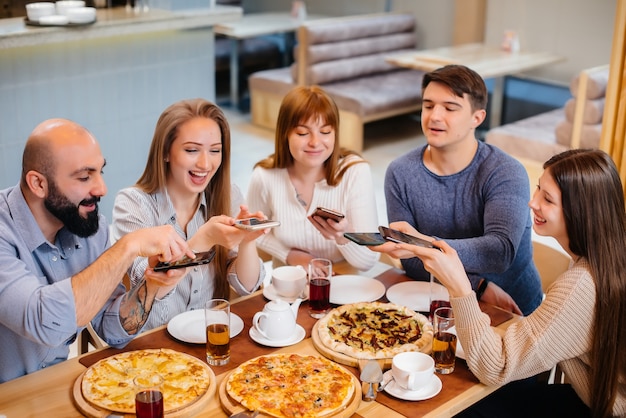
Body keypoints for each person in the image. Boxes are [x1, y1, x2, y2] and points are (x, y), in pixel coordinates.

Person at [381, 149, 626, 417]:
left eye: (548, 199)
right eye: (538, 190)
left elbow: (495, 366)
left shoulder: (580, 286)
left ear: (581, 211)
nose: (533, 203)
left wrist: (461, 288)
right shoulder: (607, 257)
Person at [0, 118, 195, 383]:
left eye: (100, 171)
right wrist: (128, 246)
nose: (102, 188)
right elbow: (44, 324)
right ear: (38, 184)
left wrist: (151, 285)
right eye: (84, 177)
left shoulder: (87, 226)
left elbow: (112, 330)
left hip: (51, 386)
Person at [384, 64, 542, 316]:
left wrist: (422, 244)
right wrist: (476, 286)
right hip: (438, 302)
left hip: (511, 309)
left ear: (477, 118)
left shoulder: (505, 171)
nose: (434, 116)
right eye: (428, 105)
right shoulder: (400, 172)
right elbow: (410, 260)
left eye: (449, 108)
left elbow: (499, 251)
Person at [111, 98, 265, 331]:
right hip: (151, 348)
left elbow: (246, 288)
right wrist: (202, 240)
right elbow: (147, 282)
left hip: (210, 340)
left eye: (215, 151)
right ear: (165, 152)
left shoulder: (227, 194)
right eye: (192, 150)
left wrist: (247, 242)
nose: (205, 163)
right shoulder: (133, 204)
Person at [246, 85, 379, 271]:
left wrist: (343, 236)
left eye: (325, 132)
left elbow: (368, 262)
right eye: (302, 133)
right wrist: (290, 255)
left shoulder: (355, 172)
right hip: (288, 286)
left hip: (345, 285)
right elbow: (253, 232)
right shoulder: (265, 176)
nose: (315, 142)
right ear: (285, 134)